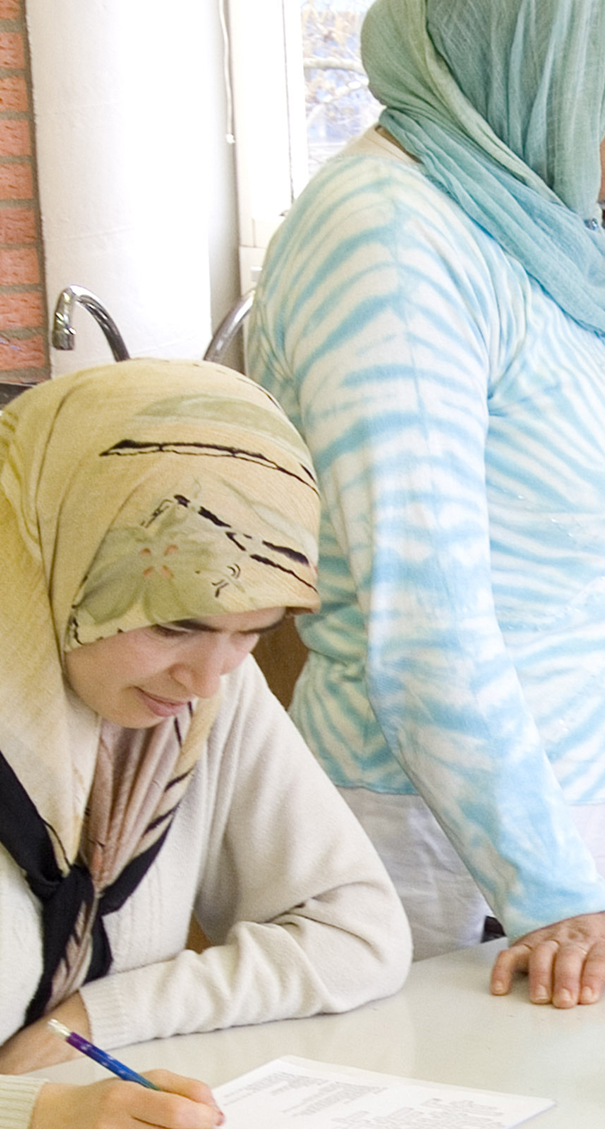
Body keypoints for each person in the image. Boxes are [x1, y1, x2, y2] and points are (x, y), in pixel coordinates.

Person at [245, 0, 605, 1007]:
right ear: (568, 40)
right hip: (470, 883)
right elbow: (421, 614)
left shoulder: (520, 226)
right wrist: (553, 887)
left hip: (593, 877)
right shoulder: (389, 239)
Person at [0, 360, 409, 1129]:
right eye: (172, 623)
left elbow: (356, 931)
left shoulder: (202, 696)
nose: (207, 676)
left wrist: (97, 1015)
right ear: (58, 553)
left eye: (253, 633)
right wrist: (39, 1111)